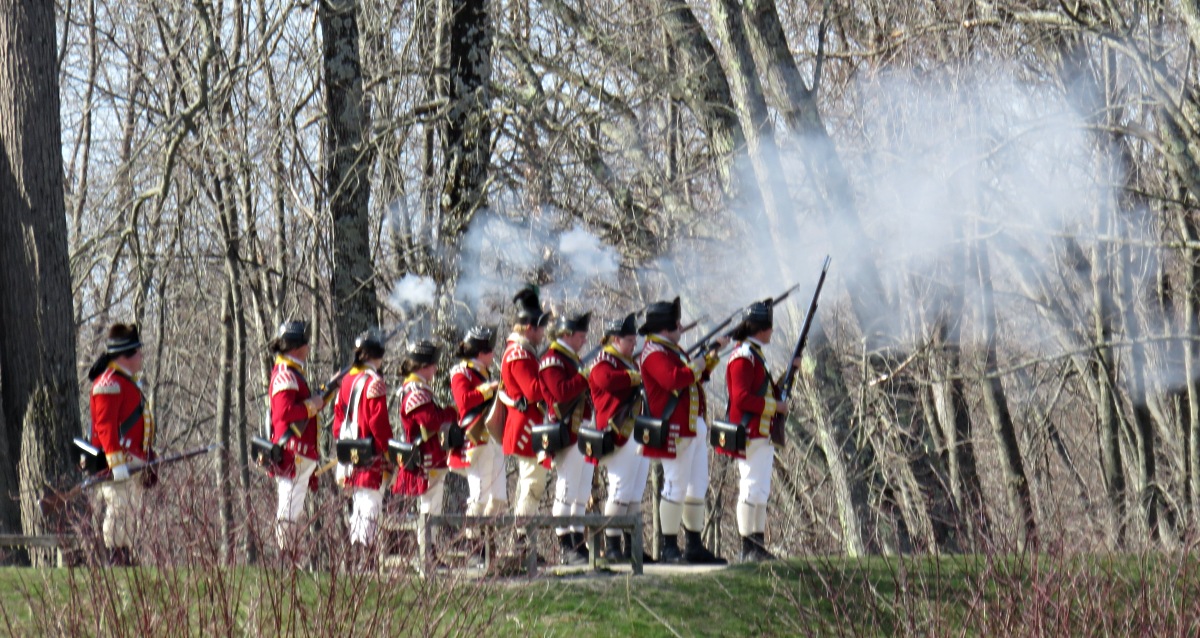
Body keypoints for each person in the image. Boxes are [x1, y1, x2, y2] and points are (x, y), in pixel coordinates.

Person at [639, 298, 727, 564]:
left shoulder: (672, 350)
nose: (681, 326)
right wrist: (700, 362)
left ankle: (693, 545)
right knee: (675, 485)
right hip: (674, 429)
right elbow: (675, 380)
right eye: (677, 323)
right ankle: (668, 546)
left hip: (692, 426)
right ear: (668, 326)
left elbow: (695, 377)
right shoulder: (654, 352)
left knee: (697, 486)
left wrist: (710, 357)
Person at [721, 300, 795, 562]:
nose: (772, 332)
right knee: (751, 487)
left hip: (760, 431)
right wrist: (776, 405)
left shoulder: (753, 355)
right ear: (761, 328)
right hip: (749, 431)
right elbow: (741, 398)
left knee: (760, 489)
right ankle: (747, 547)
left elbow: (763, 389)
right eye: (769, 327)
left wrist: (791, 371)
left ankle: (757, 545)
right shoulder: (743, 357)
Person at [588, 312, 654, 562]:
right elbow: (606, 381)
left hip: (635, 429)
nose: (633, 343)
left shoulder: (625, 361)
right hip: (618, 431)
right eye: (629, 339)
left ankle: (632, 546)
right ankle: (613, 546)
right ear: (615, 338)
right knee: (620, 490)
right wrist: (637, 377)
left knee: (635, 493)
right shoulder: (603, 360)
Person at [88, 323, 155, 566]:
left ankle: (123, 555)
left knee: (128, 512)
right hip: (116, 464)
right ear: (127, 355)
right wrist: (116, 464)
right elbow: (105, 429)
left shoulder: (124, 382)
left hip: (131, 463)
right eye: (138, 351)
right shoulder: (109, 383)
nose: (141, 356)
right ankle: (116, 558)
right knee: (118, 510)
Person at [500, 285, 552, 560]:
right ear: (529, 327)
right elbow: (532, 391)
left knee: (530, 485)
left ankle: (521, 543)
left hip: (530, 426)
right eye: (540, 328)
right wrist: (553, 379)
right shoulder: (519, 353)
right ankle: (520, 544)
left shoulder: (525, 351)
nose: (542, 333)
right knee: (532, 485)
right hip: (526, 429)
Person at [392, 340, 456, 557]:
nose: (435, 369)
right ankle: (427, 552)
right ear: (422, 366)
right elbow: (431, 421)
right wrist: (451, 413)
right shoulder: (416, 391)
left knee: (432, 505)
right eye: (432, 365)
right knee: (429, 507)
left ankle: (429, 550)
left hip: (430, 457)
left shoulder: (418, 389)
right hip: (425, 458)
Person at [540, 312, 594, 566]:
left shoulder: (570, 359)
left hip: (582, 426)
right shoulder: (552, 360)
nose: (584, 341)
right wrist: (585, 377)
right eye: (580, 336)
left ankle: (577, 538)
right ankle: (565, 542)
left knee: (582, 489)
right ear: (567, 334)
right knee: (567, 487)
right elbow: (560, 394)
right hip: (566, 430)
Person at [333, 329, 394, 550]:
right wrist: (388, 452)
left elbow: (338, 420)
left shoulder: (347, 380)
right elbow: (379, 424)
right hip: (370, 452)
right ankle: (364, 555)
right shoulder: (375, 382)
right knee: (370, 504)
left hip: (350, 451)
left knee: (359, 505)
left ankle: (358, 553)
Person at [448, 326, 505, 566]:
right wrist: (488, 389)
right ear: (480, 351)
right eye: (489, 350)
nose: (492, 354)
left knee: (499, 497)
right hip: (475, 437)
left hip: (493, 435)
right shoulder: (461, 372)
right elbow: (464, 402)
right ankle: (473, 546)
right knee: (478, 496)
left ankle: (487, 541)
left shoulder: (484, 372)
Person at [267, 320, 325, 551]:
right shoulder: (285, 374)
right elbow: (285, 413)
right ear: (297, 347)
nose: (309, 348)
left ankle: (288, 552)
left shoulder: (291, 373)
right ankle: (285, 554)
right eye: (305, 343)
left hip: (297, 454)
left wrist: (318, 401)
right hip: (293, 453)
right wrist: (312, 405)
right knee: (288, 508)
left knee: (293, 507)